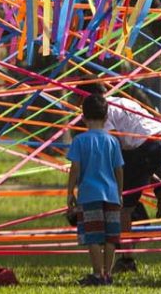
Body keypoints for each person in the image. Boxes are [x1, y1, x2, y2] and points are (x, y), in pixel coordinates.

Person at [86, 82, 161, 273]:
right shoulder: (121, 100)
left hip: (147, 146)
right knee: (139, 164)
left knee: (123, 207)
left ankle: (127, 259)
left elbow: (111, 145)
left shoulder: (100, 111)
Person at [66, 92, 125, 285]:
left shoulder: (79, 141)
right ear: (107, 117)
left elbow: (75, 168)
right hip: (111, 196)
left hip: (89, 196)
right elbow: (119, 170)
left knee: (93, 236)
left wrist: (70, 192)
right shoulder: (113, 141)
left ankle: (97, 274)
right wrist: (119, 193)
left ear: (82, 118)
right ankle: (107, 274)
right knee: (110, 238)